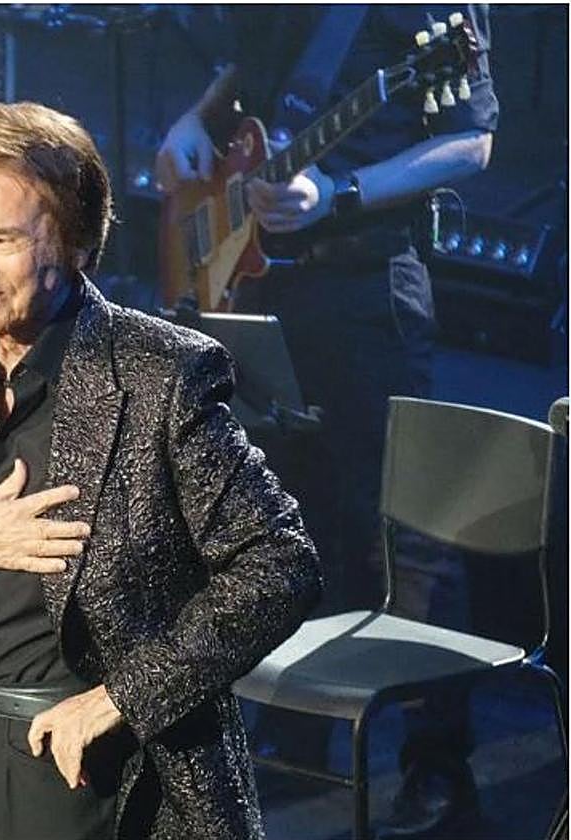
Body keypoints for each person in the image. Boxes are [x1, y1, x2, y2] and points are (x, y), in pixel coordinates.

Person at [0, 101, 321, 840]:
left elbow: (282, 566)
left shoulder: (159, 375)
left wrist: (120, 699)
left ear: (78, 241)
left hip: (104, 773)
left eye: (2, 239)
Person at [156, 6, 498, 839]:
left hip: (365, 287)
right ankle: (295, 740)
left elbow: (474, 142)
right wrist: (195, 122)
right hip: (266, 282)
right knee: (277, 519)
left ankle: (438, 773)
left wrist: (340, 191)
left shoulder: (430, 16)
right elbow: (247, 72)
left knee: (403, 529)